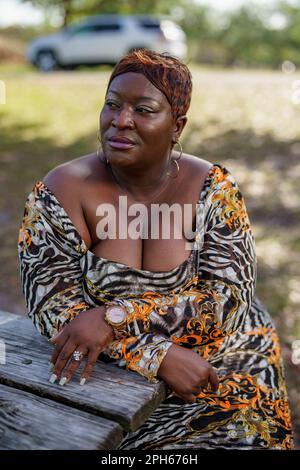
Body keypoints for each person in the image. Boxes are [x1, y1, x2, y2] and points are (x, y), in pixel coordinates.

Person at [17, 49, 294, 450]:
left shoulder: (212, 188)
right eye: (111, 104)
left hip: (226, 359)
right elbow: (53, 310)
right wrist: (156, 355)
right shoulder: (61, 191)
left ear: (176, 125)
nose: (120, 120)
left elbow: (225, 305)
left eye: (143, 110)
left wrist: (115, 316)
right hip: (116, 372)